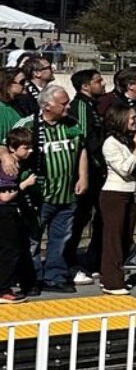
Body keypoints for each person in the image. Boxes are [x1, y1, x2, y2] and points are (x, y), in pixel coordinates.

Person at [28, 86, 88, 292]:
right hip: (40, 195)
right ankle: (31, 278)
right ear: (46, 106)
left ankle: (55, 276)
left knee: (60, 238)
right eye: (63, 103)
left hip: (67, 193)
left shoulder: (71, 124)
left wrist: (83, 176)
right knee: (33, 239)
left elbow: (81, 150)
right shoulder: (30, 125)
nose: (68, 106)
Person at [95, 104, 136, 295]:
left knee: (125, 238)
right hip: (114, 194)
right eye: (132, 118)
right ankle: (112, 282)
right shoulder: (110, 143)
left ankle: (114, 274)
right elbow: (124, 169)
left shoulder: (127, 141)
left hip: (131, 192)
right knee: (113, 238)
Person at [68, 68, 105, 283]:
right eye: (98, 81)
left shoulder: (92, 106)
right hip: (87, 173)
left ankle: (91, 260)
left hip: (95, 171)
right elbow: (84, 140)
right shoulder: (81, 106)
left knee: (93, 217)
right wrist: (95, 166)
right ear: (85, 86)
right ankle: (69, 262)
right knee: (78, 218)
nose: (102, 84)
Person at [0, 125, 37, 301]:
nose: (30, 151)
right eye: (26, 148)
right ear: (13, 148)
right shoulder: (10, 166)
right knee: (10, 249)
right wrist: (24, 185)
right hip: (4, 211)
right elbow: (5, 196)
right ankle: (3, 289)